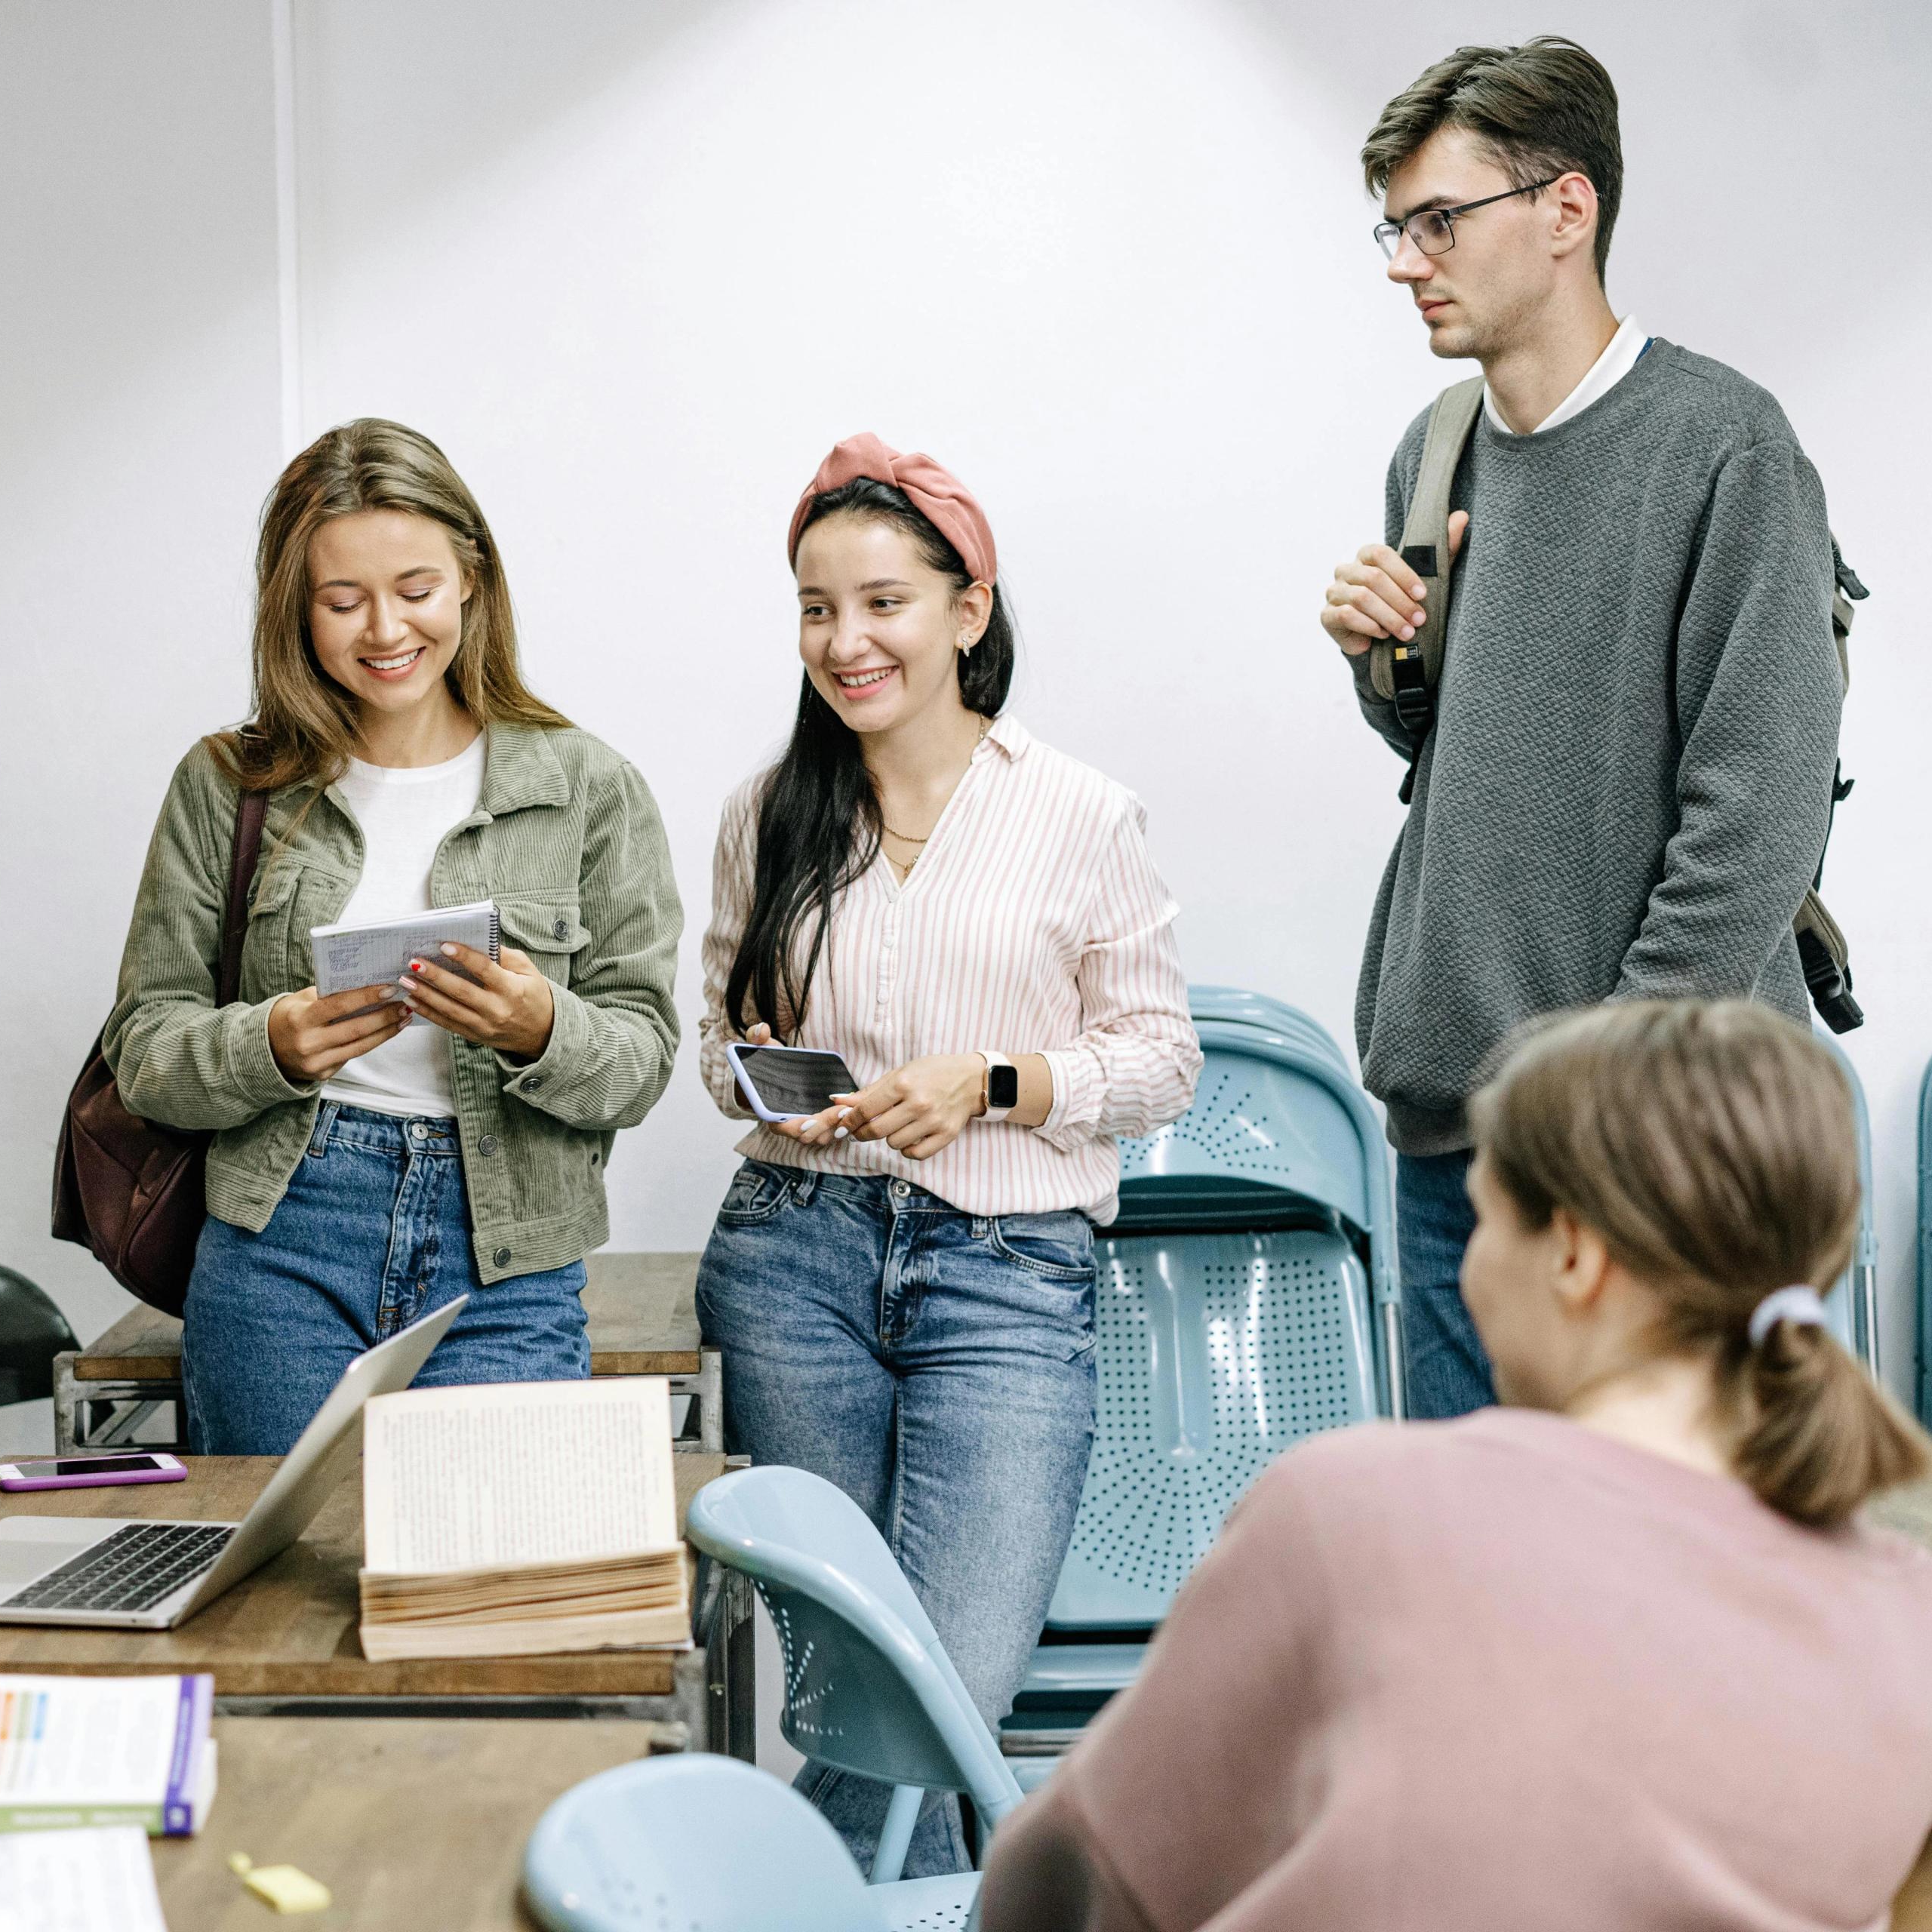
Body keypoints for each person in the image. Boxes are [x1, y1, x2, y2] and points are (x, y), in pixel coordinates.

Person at [978, 998, 1932, 1932]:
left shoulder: (1356, 1510)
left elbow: (1066, 1887)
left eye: (1487, 1216)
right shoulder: (1931, 1629)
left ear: (1574, 1256)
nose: (1466, 1265)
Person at [1314, 37, 1849, 1419]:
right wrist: (1389, 669)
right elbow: (1468, 759)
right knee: (1470, 1592)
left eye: (1440, 220)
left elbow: (1758, 818)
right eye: (1396, 224)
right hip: (1455, 1140)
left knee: (1672, 1590)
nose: (1404, 259)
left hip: (1656, 1147)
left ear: (1567, 210)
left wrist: (1598, 1099)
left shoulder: (1726, 447)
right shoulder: (1431, 451)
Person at [696, 433, 1200, 1878]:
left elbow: (1160, 1060)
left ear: (969, 610)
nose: (844, 642)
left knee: (942, 1689)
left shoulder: (1081, 812)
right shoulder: (769, 813)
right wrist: (769, 1083)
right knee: (848, 1686)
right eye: (813, 607)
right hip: (794, 1261)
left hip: (1009, 1275)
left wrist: (992, 1081)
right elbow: (714, 1047)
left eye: (882, 603)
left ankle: (776, 1899)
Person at [105, 417, 682, 1454]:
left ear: (472, 581)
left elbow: (642, 1062)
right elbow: (145, 1050)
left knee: (484, 1590)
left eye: (415, 590)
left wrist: (542, 1026)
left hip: (507, 1250)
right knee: (274, 1595)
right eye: (342, 600)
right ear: (295, 610)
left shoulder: (588, 788)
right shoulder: (227, 787)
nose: (384, 630)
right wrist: (271, 1045)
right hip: (283, 1238)